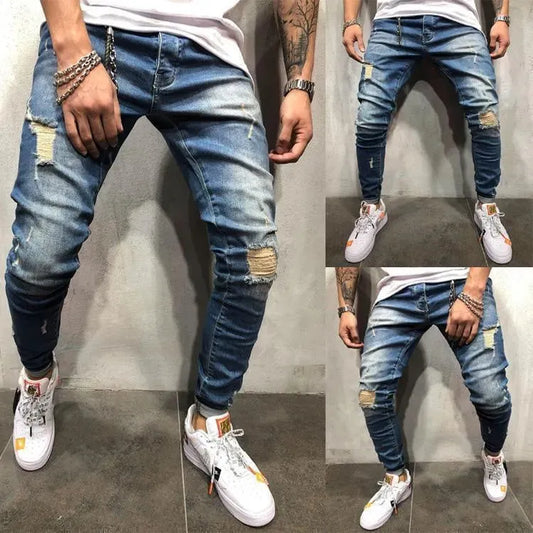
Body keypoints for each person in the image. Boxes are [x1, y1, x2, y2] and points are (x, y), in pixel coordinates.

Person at [5, 0, 319, 527]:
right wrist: (72, 46)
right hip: (96, 31)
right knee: (40, 256)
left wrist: (300, 84)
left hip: (212, 55)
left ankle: (209, 422)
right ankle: (37, 379)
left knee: (255, 259)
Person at [336, 267, 511, 531]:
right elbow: (348, 256)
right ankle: (396, 477)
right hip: (395, 293)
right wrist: (346, 308)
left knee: (491, 394)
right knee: (371, 395)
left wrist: (474, 290)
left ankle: (494, 456)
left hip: (460, 283)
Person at [342, 0, 513, 264]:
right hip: (392, 24)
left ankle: (487, 207)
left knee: (486, 116)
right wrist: (350, 20)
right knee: (369, 119)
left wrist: (502, 18)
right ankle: (372, 208)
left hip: (459, 22)